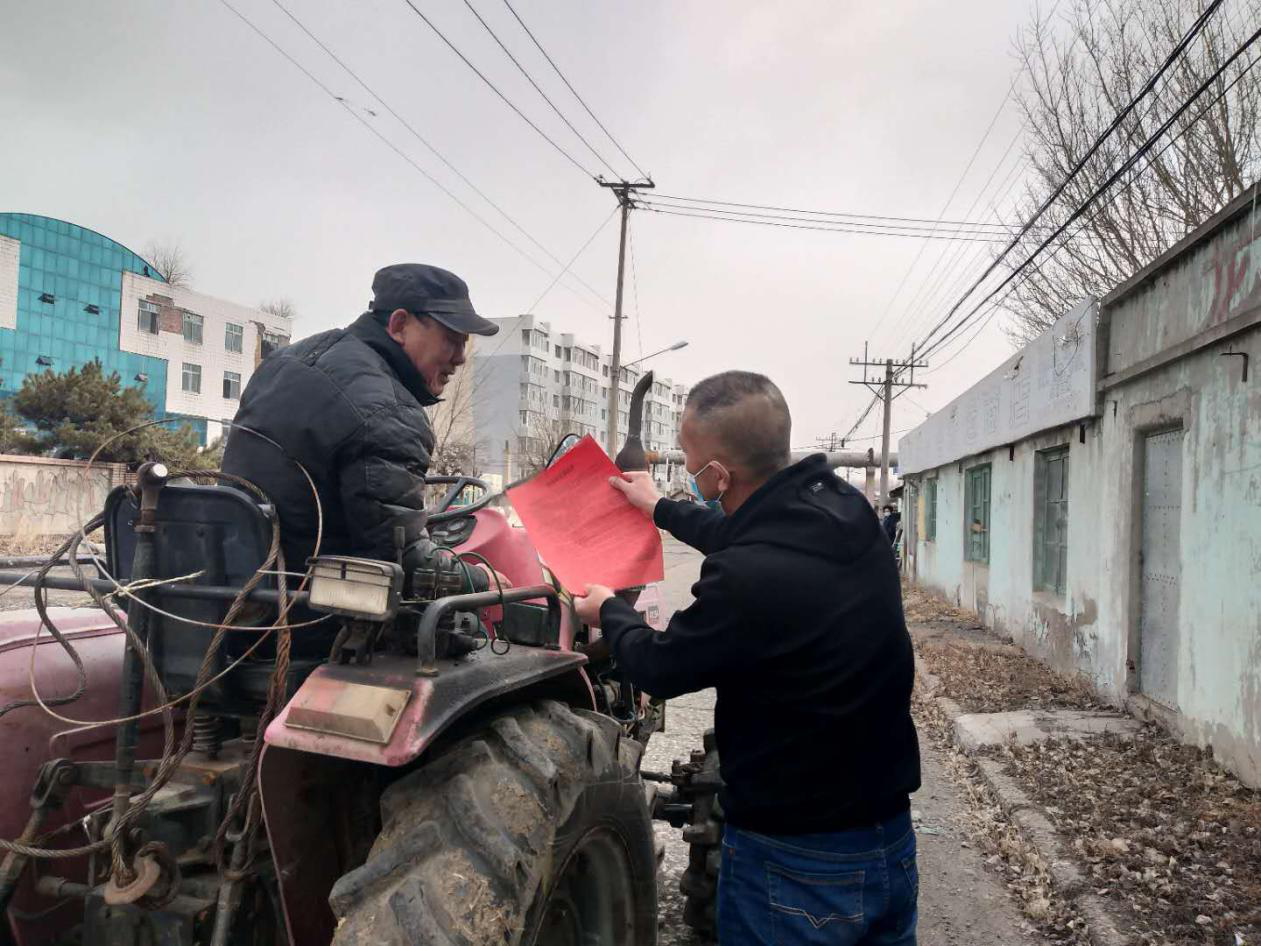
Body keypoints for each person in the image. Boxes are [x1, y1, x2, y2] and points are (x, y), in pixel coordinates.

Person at [574, 371, 921, 945]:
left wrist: (611, 611)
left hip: (796, 865)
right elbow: (744, 531)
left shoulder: (745, 578)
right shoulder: (843, 509)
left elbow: (659, 665)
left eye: (687, 458)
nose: (684, 470)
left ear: (718, 474)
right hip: (887, 843)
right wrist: (659, 507)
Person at [222, 263, 502, 592]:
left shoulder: (283, 363)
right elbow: (403, 561)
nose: (460, 357)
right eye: (451, 339)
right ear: (400, 325)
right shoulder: (389, 411)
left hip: (238, 592)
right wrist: (486, 583)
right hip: (314, 618)